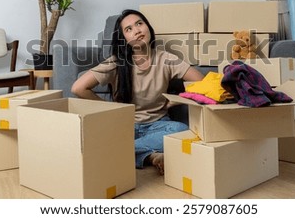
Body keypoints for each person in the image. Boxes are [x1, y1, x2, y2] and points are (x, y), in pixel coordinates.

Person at [71, 9, 204, 174]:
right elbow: (78, 88)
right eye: (129, 29)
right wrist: (110, 110)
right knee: (96, 137)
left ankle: (125, 151)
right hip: (124, 125)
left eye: (140, 23)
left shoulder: (166, 58)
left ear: (148, 27)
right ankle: (151, 156)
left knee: (183, 130)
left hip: (159, 125)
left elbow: (201, 82)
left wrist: (178, 99)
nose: (137, 30)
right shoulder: (115, 62)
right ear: (124, 39)